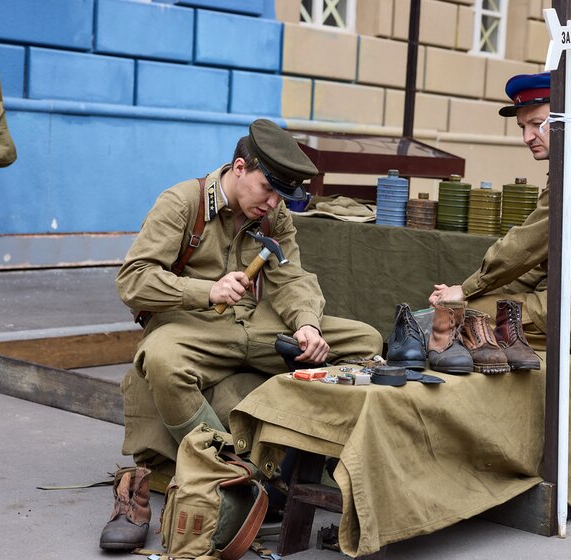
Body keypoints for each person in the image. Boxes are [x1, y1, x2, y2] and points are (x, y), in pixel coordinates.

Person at [101, 119, 382, 551]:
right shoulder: (182, 203)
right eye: (268, 191)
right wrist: (204, 290)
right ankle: (230, 473)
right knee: (160, 359)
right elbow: (132, 281)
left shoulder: (275, 213)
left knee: (365, 342)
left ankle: (290, 459)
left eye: (281, 197)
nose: (272, 204)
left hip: (258, 325)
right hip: (195, 325)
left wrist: (306, 323)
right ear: (238, 168)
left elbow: (291, 278)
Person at [428, 72, 571, 363]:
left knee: (463, 318)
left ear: (566, 120)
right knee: (469, 307)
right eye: (523, 126)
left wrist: (465, 290)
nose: (526, 137)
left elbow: (528, 245)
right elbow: (544, 257)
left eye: (537, 124)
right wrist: (473, 290)